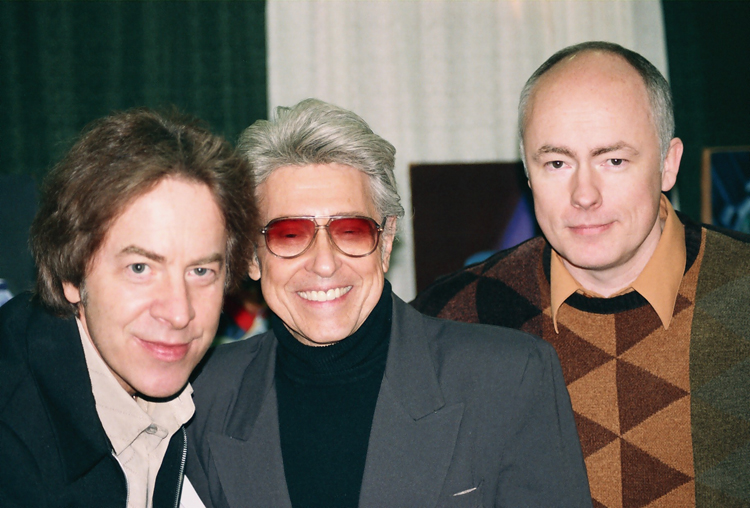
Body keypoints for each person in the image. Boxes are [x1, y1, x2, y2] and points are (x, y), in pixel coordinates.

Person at [185, 98, 591, 508]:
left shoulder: (509, 377)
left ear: (386, 242)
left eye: (351, 231)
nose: (324, 264)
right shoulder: (199, 395)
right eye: (289, 235)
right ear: (253, 256)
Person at [412, 41, 750, 507]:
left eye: (613, 160)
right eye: (557, 163)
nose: (584, 194)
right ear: (528, 174)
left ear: (669, 164)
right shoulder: (449, 320)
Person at [0, 108, 256, 508]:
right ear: (71, 275)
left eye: (201, 270)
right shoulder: (14, 437)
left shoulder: (199, 403)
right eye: (140, 268)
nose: (179, 312)